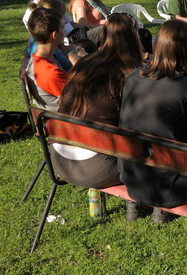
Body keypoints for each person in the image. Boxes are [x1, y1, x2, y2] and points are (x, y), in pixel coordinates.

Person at [118, 20, 187, 222]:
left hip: (132, 179)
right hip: (172, 188)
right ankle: (174, 211)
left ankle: (138, 206)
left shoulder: (133, 78)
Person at [51, 14, 144, 190]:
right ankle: (144, 199)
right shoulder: (131, 74)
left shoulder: (84, 63)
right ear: (134, 38)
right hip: (96, 167)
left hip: (59, 158)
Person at [26, 7, 68, 111]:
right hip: (71, 123)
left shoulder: (38, 61)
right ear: (55, 34)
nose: (65, 31)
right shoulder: (50, 72)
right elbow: (84, 100)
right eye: (63, 27)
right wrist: (74, 56)